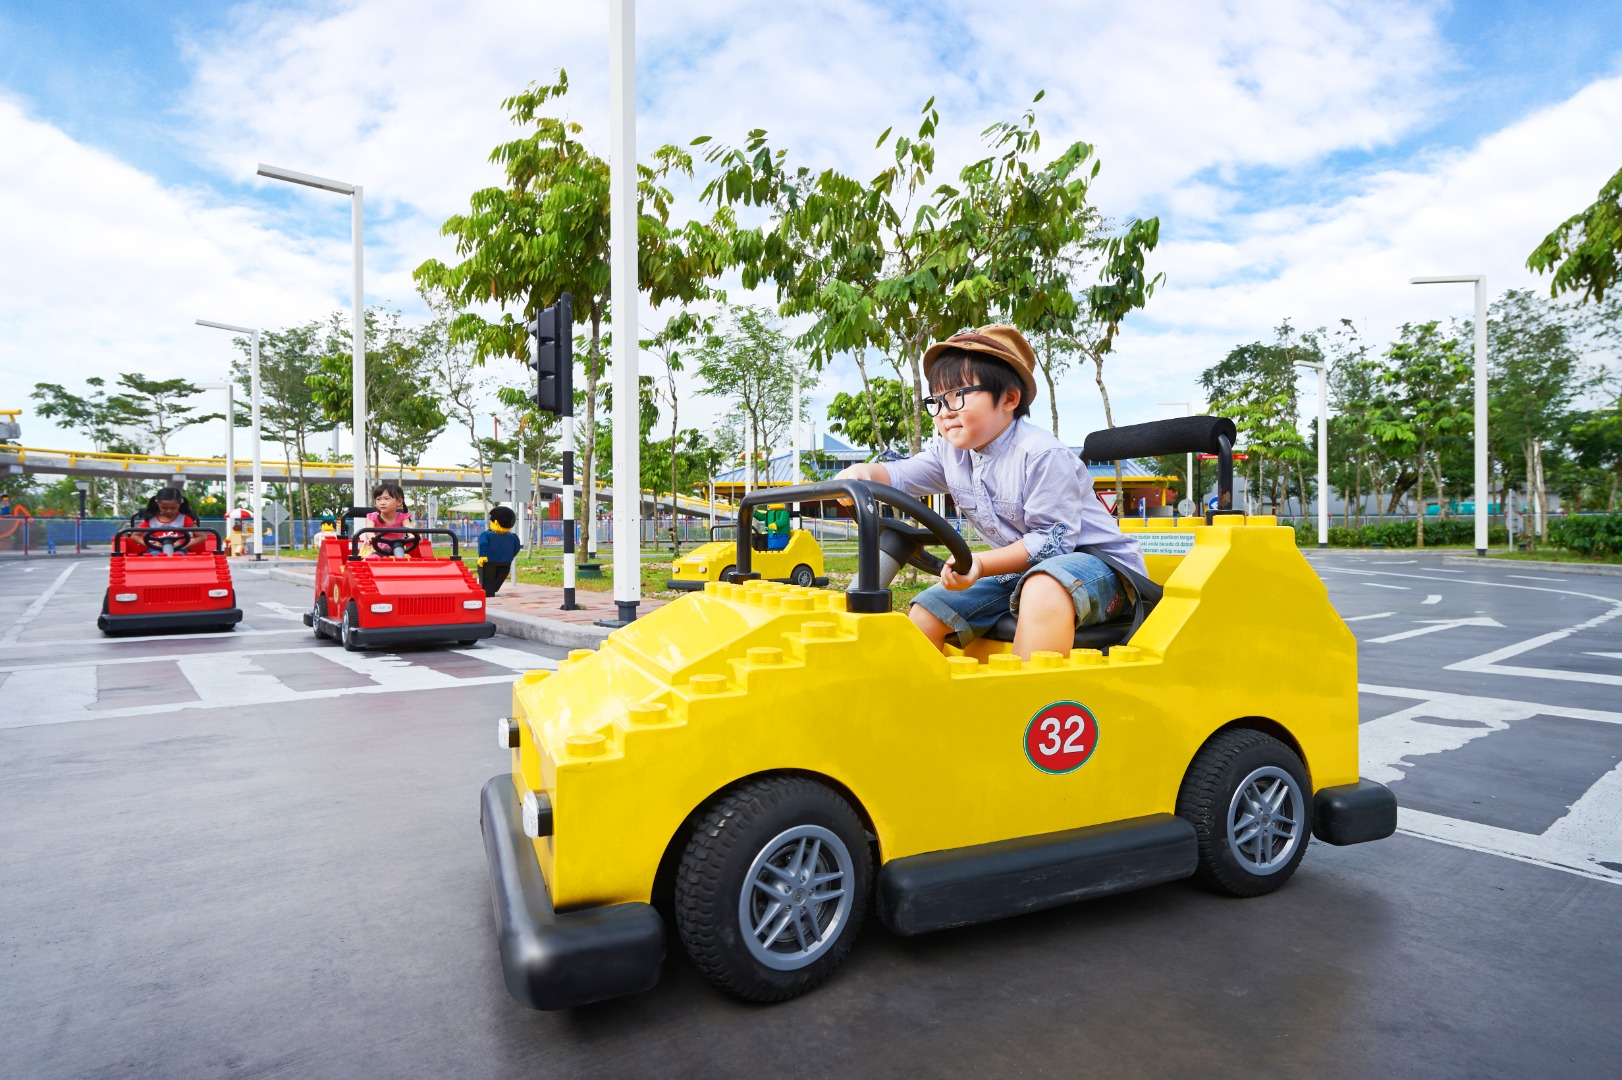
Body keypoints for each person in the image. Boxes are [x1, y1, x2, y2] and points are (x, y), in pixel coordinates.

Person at [835, 324, 1146, 660]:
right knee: (927, 612)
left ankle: (1028, 705)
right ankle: (919, 703)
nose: (945, 411)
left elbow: (1051, 542)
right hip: (1021, 573)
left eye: (958, 395)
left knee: (1043, 588)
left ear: (1009, 398)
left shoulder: (1041, 454)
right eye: (936, 400)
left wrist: (980, 564)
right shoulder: (950, 454)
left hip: (1106, 571)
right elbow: (898, 475)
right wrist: (863, 473)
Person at [133, 487, 207, 554]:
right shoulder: (151, 519)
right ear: (157, 503)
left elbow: (202, 536)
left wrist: (184, 545)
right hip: (155, 549)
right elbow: (135, 535)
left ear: (180, 504)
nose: (169, 511)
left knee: (179, 556)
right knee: (154, 556)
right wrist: (151, 544)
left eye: (173, 508)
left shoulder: (184, 518)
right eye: (164, 508)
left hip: (178, 549)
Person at [365, 482, 430, 558]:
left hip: (397, 550)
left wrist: (415, 536)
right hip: (374, 550)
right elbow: (369, 531)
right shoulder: (372, 517)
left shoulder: (402, 518)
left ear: (399, 502)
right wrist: (372, 537)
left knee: (406, 560)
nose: (382, 503)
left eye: (387, 499)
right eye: (378, 499)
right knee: (374, 559)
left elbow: (410, 530)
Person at [478, 505, 521, 596]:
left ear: (496, 522)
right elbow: (517, 548)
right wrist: (511, 556)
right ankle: (491, 591)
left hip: (489, 563)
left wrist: (483, 556)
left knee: (488, 583)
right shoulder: (513, 537)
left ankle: (488, 594)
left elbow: (483, 544)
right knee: (496, 583)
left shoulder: (486, 535)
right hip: (506, 563)